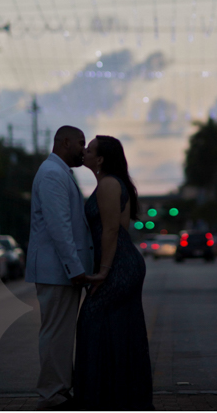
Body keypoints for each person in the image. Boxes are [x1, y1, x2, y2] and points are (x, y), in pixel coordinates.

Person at [74, 136, 154, 410]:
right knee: (119, 328)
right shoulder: (112, 183)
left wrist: (103, 272)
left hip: (119, 266)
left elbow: (111, 230)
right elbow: (121, 227)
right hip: (125, 262)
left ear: (100, 159)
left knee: (90, 320)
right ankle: (120, 398)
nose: (84, 152)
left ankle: (98, 399)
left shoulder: (108, 184)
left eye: (90, 149)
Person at [25, 125, 95, 410]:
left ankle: (59, 390)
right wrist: (75, 268)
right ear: (64, 142)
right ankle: (52, 394)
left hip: (59, 271)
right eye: (80, 143)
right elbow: (59, 228)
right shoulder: (53, 174)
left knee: (60, 333)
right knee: (55, 333)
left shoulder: (59, 171)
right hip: (57, 271)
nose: (83, 149)